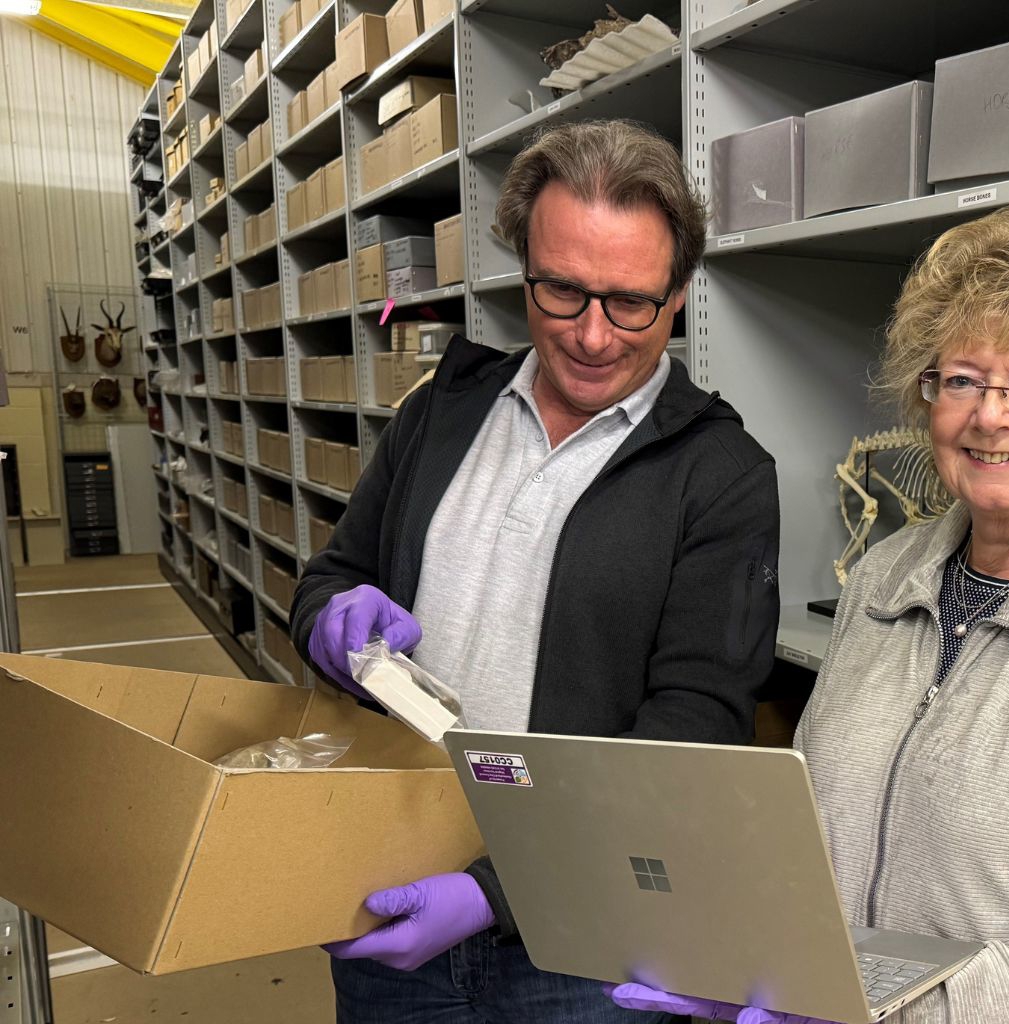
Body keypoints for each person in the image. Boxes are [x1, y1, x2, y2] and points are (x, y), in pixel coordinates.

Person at [610, 206, 1009, 1024]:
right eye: (961, 379)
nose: (989, 415)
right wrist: (741, 950)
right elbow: (812, 842)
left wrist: (875, 1007)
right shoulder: (883, 579)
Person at [290, 118, 782, 1024]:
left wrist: (497, 890)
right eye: (562, 291)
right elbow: (330, 577)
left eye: (631, 302)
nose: (594, 336)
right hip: (388, 886)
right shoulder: (442, 411)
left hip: (587, 951)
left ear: (678, 295)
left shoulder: (721, 476)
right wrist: (328, 623)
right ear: (523, 272)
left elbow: (694, 730)